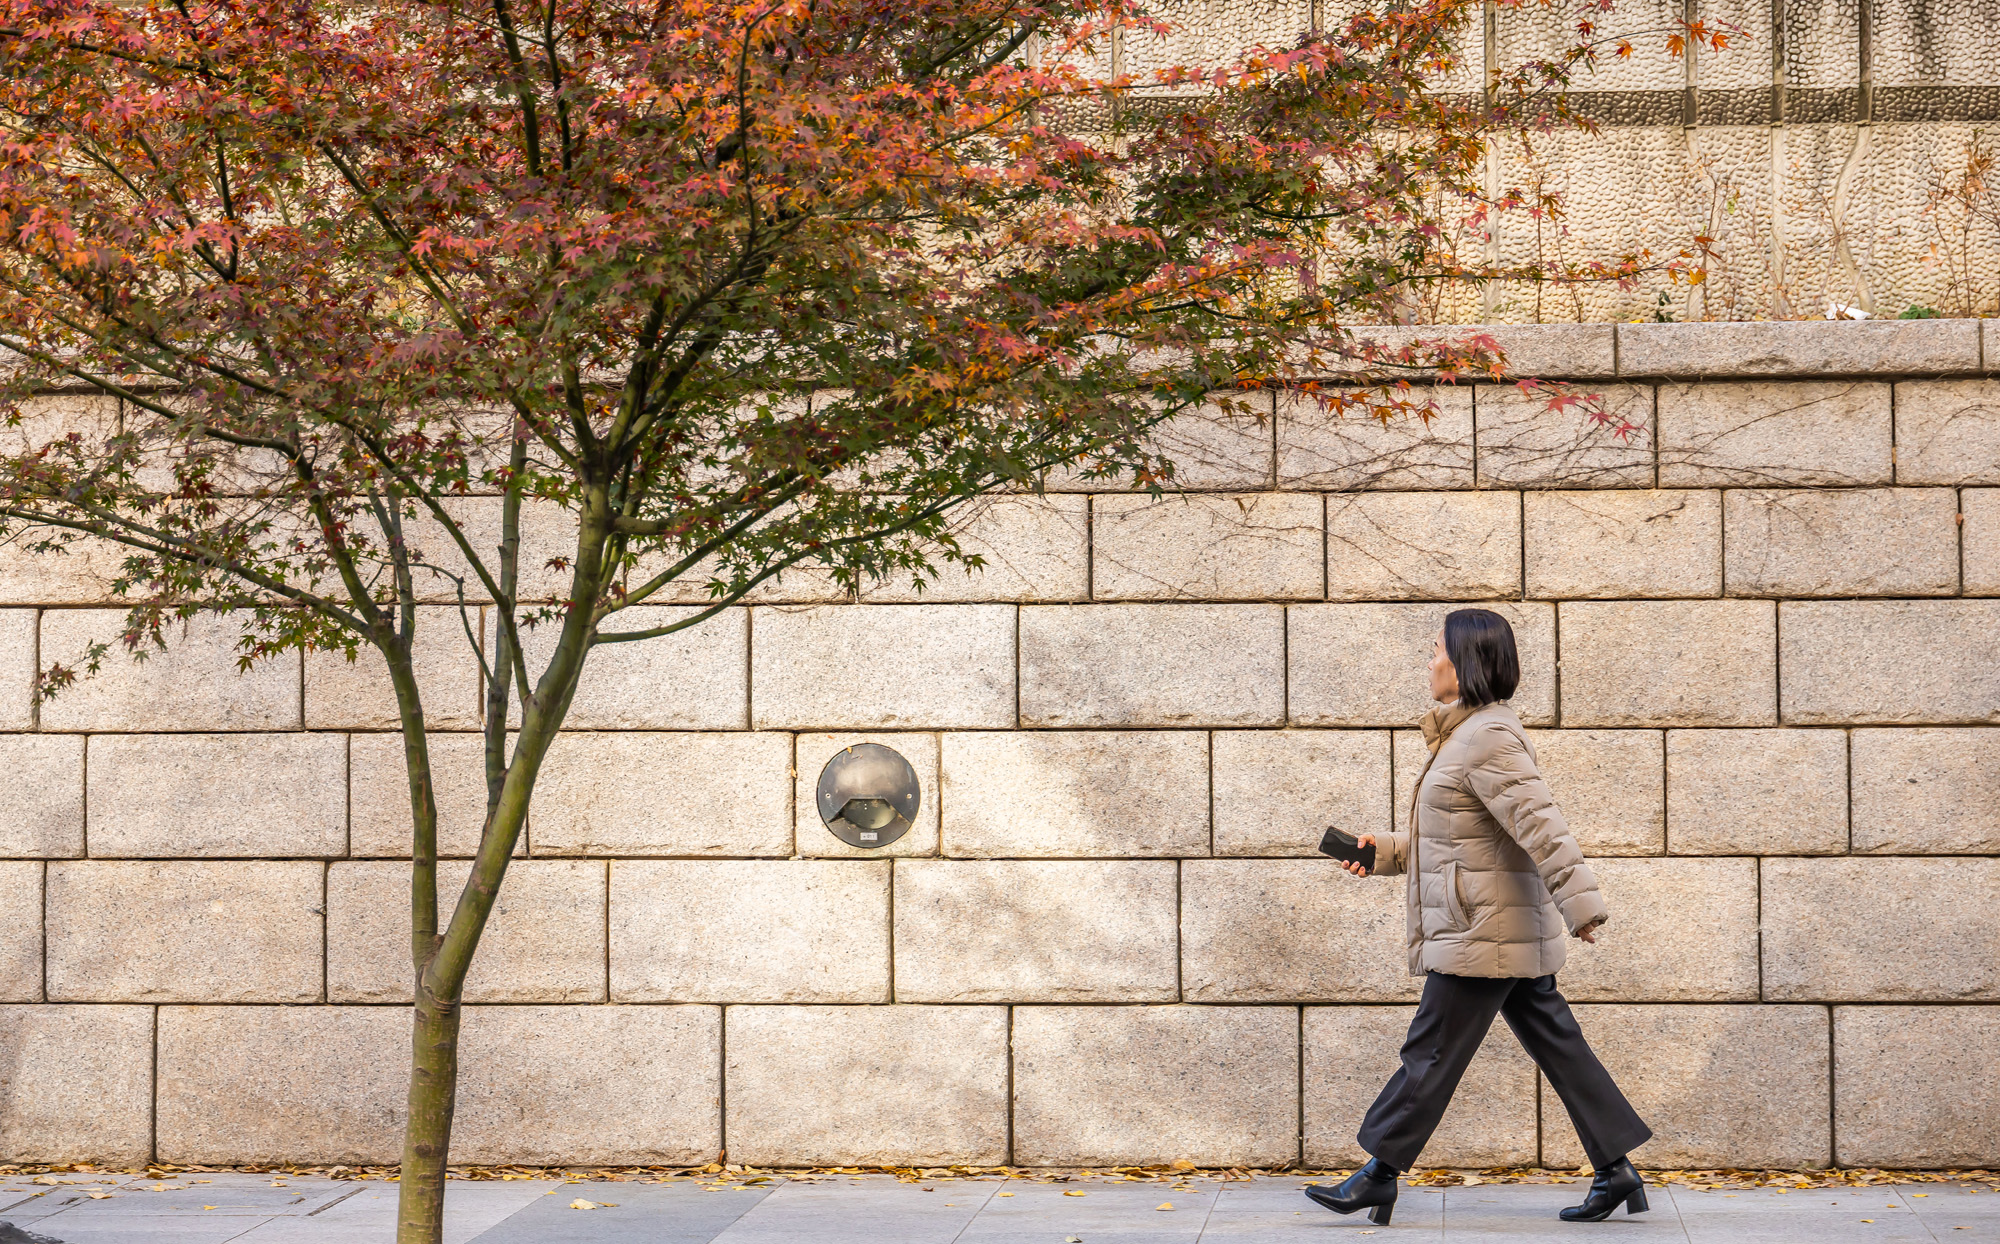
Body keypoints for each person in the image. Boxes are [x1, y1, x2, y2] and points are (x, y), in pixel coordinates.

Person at [1304, 608, 1652, 1227]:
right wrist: (1379, 853)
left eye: (1436, 649)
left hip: (1481, 931)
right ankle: (1616, 1169)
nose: (1428, 660)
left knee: (1430, 1050)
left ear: (1464, 662)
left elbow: (1541, 825)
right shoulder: (1464, 736)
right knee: (1560, 1046)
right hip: (1497, 928)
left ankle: (1378, 1174)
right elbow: (1455, 842)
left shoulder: (1486, 737)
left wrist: (1583, 905)